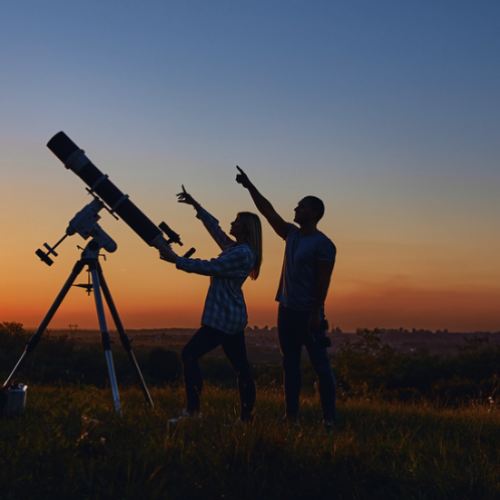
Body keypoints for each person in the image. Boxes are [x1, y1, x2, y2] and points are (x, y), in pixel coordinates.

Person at [235, 166, 336, 430]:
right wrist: (249, 186)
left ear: (313, 213)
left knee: (321, 367)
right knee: (289, 366)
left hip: (309, 314)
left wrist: (316, 312)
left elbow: (324, 281)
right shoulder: (290, 233)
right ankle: (291, 417)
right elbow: (268, 211)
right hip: (287, 311)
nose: (295, 209)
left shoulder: (324, 244)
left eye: (301, 207)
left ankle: (329, 420)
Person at [159, 186, 262, 424]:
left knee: (190, 354)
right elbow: (215, 229)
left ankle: (193, 414)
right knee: (241, 368)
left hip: (223, 318)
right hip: (229, 317)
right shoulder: (234, 247)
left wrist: (177, 260)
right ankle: (247, 418)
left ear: (246, 228)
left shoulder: (243, 254)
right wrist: (196, 206)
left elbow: (211, 267)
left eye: (236, 222)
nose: (232, 223)